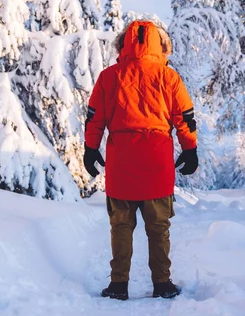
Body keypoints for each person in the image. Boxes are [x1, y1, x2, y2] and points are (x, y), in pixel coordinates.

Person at [84, 20, 198, 300]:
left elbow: (94, 116)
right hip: (156, 164)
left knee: (121, 227)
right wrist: (189, 148)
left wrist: (90, 147)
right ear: (160, 45)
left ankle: (118, 285)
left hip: (121, 164)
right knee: (158, 228)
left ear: (124, 44)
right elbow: (184, 117)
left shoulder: (109, 76)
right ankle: (162, 283)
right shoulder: (168, 77)